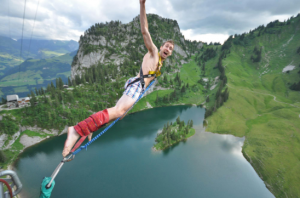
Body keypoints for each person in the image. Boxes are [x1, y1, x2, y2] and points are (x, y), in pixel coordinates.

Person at [62, 0, 174, 157]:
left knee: (119, 114)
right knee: (118, 111)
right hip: (136, 86)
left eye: (170, 48)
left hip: (136, 85)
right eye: (166, 46)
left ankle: (89, 127)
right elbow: (145, 31)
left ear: (170, 53)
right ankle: (76, 130)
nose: (168, 49)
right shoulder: (154, 52)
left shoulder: (160, 62)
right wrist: (142, 5)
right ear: (161, 47)